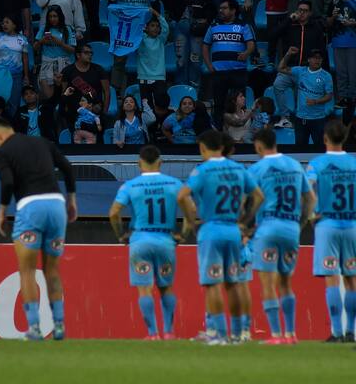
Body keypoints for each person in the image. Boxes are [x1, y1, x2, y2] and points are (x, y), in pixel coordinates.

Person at [0, 119, 77, 340]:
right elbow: (67, 168)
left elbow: (8, 182)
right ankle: (59, 326)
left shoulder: (3, 151)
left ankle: (35, 328)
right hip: (57, 206)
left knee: (27, 270)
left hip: (30, 208)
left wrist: (2, 210)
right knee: (52, 270)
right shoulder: (42, 142)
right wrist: (72, 200)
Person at [177, 129, 263, 344]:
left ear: (204, 147)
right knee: (232, 283)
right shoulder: (239, 169)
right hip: (233, 230)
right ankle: (237, 334)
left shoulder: (203, 170)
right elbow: (258, 196)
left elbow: (182, 196)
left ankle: (218, 333)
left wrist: (191, 220)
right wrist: (244, 220)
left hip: (211, 229)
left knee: (212, 283)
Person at [248, 128, 315, 344]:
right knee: (286, 283)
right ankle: (291, 334)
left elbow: (248, 199)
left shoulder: (257, 168)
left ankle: (276, 335)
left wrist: (245, 223)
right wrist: (302, 221)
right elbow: (310, 198)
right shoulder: (295, 165)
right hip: (291, 228)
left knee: (268, 283)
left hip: (267, 227)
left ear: (259, 145)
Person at [109, 145, 182, 339]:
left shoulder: (130, 185)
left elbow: (114, 212)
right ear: (160, 162)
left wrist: (121, 235)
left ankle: (152, 333)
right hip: (166, 240)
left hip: (140, 241)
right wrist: (183, 233)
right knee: (166, 287)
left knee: (145, 289)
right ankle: (168, 332)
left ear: (139, 163)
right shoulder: (175, 183)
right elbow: (190, 209)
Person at [306, 120, 356, 343]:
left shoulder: (316, 165)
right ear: (343, 138)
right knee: (351, 279)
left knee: (331, 278)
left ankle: (336, 332)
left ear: (325, 138)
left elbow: (310, 192)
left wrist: (311, 214)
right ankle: (351, 332)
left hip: (327, 224)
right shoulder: (354, 164)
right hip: (352, 224)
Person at [203, 0, 255, 126]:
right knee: (218, 103)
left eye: (224, 8)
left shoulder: (244, 25)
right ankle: (219, 132)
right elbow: (205, 46)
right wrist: (209, 65)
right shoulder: (213, 26)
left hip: (238, 72)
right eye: (220, 8)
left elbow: (251, 44)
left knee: (239, 104)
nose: (221, 10)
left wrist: (246, 53)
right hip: (218, 72)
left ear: (233, 10)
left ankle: (239, 132)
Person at [277, 47, 333, 145]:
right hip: (301, 119)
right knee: (300, 150)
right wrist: (288, 54)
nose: (317, 60)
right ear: (309, 59)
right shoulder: (300, 71)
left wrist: (316, 101)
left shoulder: (326, 76)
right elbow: (280, 68)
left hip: (318, 119)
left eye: (319, 58)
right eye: (314, 58)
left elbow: (329, 96)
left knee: (319, 150)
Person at [0, 16, 30, 116]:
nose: (4, 25)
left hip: (16, 75)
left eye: (7, 22)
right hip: (2, 75)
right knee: (1, 100)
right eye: (3, 23)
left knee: (14, 102)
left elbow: (25, 59)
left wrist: (26, 76)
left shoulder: (22, 39)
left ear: (14, 25)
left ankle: (11, 126)